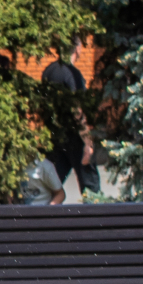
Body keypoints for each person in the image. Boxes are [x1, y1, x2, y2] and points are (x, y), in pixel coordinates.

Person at [39, 39, 101, 198]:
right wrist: (87, 141)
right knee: (91, 188)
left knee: (49, 188)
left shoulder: (48, 71)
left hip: (55, 138)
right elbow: (77, 109)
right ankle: (95, 221)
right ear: (78, 48)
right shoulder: (74, 74)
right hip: (74, 138)